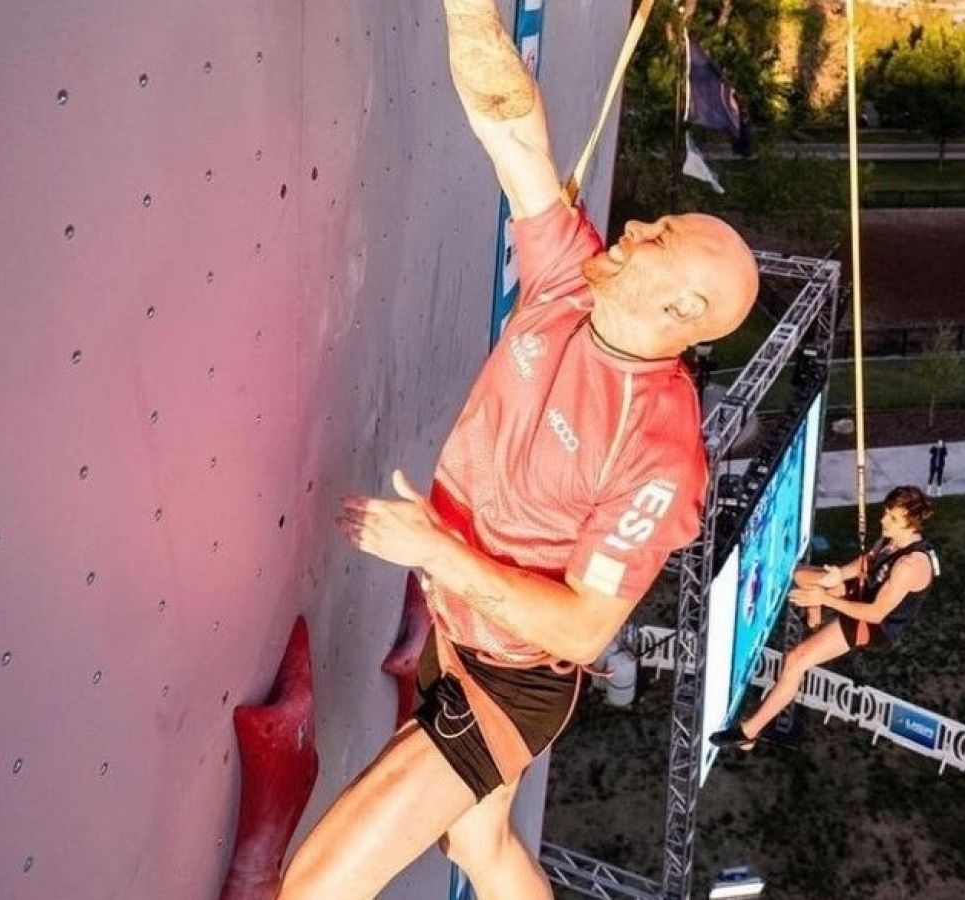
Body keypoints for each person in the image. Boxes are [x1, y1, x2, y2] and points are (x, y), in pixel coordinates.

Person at [279, 3, 760, 896]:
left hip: (507, 683)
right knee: (477, 847)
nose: (640, 225)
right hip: (459, 628)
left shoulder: (659, 453)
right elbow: (512, 127)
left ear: (684, 315)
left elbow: (583, 627)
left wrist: (433, 552)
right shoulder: (569, 278)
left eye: (660, 240)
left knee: (314, 887)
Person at [711, 487, 940, 751]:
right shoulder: (894, 538)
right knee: (798, 576)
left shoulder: (909, 567)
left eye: (892, 518)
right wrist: (838, 576)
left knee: (796, 659)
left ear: (910, 525)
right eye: (886, 513)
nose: (883, 520)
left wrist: (824, 598)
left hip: (873, 624)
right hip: (864, 592)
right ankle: (814, 614)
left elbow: (876, 614)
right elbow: (868, 561)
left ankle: (748, 733)